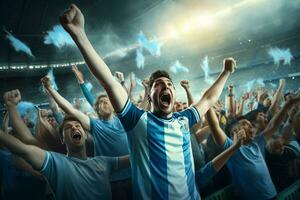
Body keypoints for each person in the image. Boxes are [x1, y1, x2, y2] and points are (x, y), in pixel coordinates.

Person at [59, 4, 235, 199]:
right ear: (150, 95)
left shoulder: (183, 120)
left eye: (169, 84)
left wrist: (226, 72)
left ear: (174, 93)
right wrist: (79, 34)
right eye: (158, 84)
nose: (165, 86)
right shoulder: (137, 121)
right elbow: (108, 81)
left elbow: (209, 98)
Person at [0, 90, 130, 200]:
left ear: (86, 135)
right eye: (68, 127)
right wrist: (11, 107)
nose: (74, 128)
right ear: (62, 139)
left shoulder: (104, 162)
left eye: (78, 126)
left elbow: (137, 155)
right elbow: (22, 147)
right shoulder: (55, 163)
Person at [41, 74, 132, 199]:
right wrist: (50, 89)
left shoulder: (123, 120)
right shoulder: (95, 125)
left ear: (113, 106)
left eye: (107, 101)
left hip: (135, 173)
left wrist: (122, 82)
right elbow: (70, 109)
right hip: (114, 181)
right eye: (100, 102)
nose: (104, 102)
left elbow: (124, 101)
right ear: (97, 110)